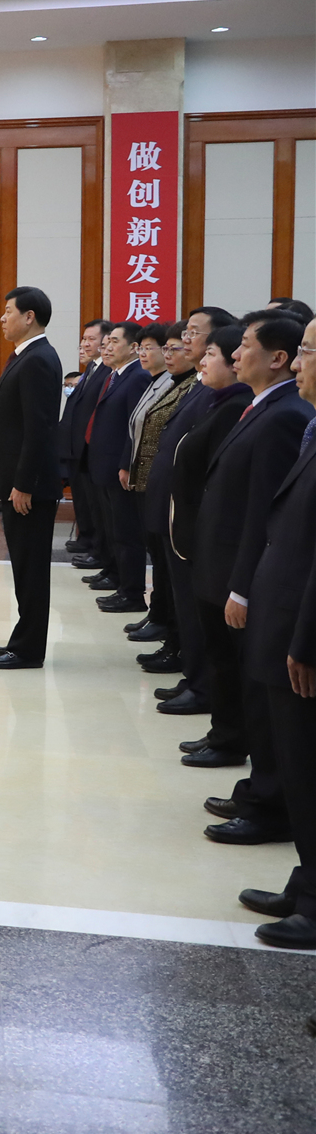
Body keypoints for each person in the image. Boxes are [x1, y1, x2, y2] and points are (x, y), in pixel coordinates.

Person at [194, 312, 313, 841]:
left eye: (244, 345)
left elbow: (267, 512)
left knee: (268, 703)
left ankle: (269, 804)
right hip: (242, 573)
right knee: (255, 692)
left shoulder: (286, 415)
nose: (235, 354)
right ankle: (260, 792)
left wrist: (241, 587)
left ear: (277, 358)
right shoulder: (262, 407)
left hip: (262, 584)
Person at [240, 316, 316, 949]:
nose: (299, 364)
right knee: (297, 765)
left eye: (308, 353)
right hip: (285, 619)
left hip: (304, 636)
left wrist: (307, 640)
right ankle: (306, 881)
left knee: (308, 767)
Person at [169, 328, 255, 747]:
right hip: (202, 539)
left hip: (222, 549)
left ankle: (227, 734)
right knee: (215, 645)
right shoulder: (219, 401)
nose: (202, 359)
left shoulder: (243, 408)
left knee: (225, 650)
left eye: (212, 353)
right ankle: (221, 729)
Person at [0, 287, 62, 670]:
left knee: (31, 571)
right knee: (23, 568)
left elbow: (39, 428)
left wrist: (24, 484)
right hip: (20, 482)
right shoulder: (27, 356)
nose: (3, 318)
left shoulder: (37, 360)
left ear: (29, 317)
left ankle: (29, 649)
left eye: (9, 311)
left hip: (29, 488)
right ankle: (23, 639)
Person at [123, 325, 187, 650]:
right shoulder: (161, 382)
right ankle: (158, 614)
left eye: (153, 347)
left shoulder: (186, 385)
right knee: (157, 555)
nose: (144, 353)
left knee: (164, 560)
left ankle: (165, 621)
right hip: (147, 478)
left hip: (163, 485)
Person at [85, 321, 150, 610]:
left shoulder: (137, 377)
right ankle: (116, 577)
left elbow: (135, 427)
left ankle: (132, 592)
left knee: (127, 533)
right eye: (107, 342)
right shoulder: (115, 375)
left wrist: (126, 464)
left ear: (134, 347)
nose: (107, 347)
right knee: (112, 529)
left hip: (119, 469)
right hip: (104, 465)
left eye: (114, 342)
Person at [63, 320, 111, 562]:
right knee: (83, 498)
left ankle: (98, 548)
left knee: (97, 504)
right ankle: (88, 539)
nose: (85, 343)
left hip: (93, 447)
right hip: (78, 446)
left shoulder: (107, 370)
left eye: (91, 339)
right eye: (84, 339)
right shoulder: (91, 368)